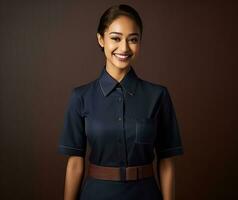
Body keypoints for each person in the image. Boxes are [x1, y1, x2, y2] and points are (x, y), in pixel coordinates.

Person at [58, 4, 184, 200]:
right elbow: (75, 163)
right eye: (115, 38)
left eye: (133, 39)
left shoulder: (158, 95)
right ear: (101, 39)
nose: (124, 48)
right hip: (96, 195)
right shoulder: (80, 97)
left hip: (146, 194)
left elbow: (166, 161)